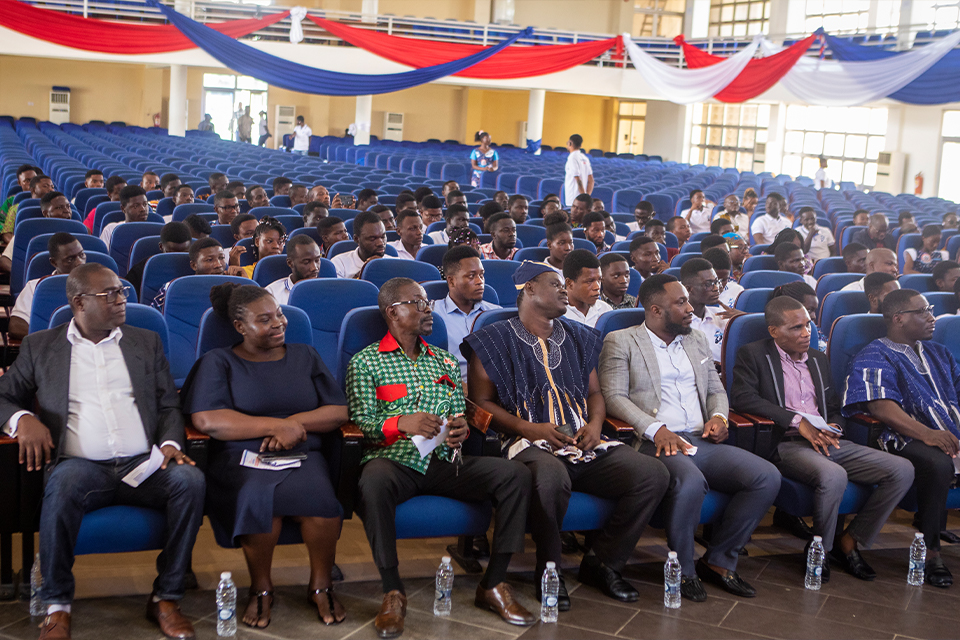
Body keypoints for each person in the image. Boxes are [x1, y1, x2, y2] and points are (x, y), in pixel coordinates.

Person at [0, 263, 205, 640]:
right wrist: (23, 419)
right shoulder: (41, 346)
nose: (121, 299)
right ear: (78, 302)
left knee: (189, 481)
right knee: (61, 486)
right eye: (109, 294)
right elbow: (4, 396)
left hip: (143, 464)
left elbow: (168, 406)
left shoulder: (145, 342)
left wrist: (172, 444)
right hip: (81, 466)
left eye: (122, 292)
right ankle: (57, 605)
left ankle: (166, 597)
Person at [466, 262, 669, 611]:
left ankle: (604, 563)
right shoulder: (493, 339)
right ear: (529, 289)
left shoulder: (577, 334)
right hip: (526, 441)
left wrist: (594, 425)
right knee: (550, 476)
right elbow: (479, 404)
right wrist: (527, 428)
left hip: (582, 439)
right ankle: (549, 571)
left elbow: (594, 394)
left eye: (564, 285)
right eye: (555, 284)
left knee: (652, 474)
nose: (564, 290)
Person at [348, 278, 535, 637]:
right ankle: (393, 590)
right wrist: (402, 422)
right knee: (373, 479)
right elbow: (361, 425)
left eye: (427, 302)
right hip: (395, 461)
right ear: (393, 312)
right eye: (417, 303)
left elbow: (457, 415)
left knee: (515, 475)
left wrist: (460, 430)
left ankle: (493, 584)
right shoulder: (366, 362)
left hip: (445, 463)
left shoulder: (445, 362)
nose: (427, 308)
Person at [599, 274, 781, 603]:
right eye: (681, 303)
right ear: (655, 309)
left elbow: (715, 388)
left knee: (765, 476)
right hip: (657, 442)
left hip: (701, 440)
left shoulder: (696, 339)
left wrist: (719, 416)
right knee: (692, 481)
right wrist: (656, 429)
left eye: (688, 301)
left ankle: (719, 560)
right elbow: (613, 397)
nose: (690, 308)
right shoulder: (621, 340)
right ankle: (683, 569)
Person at [183, 283, 347, 628]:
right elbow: (208, 419)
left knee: (320, 502)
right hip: (242, 458)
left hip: (302, 454)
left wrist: (293, 425)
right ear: (240, 326)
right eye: (265, 319)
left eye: (280, 315)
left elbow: (337, 411)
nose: (278, 324)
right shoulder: (219, 361)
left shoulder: (305, 356)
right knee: (261, 503)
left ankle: (321, 584)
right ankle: (261, 587)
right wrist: (273, 426)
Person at [733, 296, 913, 579]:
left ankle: (850, 541)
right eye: (796, 328)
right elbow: (742, 397)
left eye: (808, 325)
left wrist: (834, 427)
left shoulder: (817, 358)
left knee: (902, 470)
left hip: (827, 439)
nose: (806, 333)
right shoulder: (753, 354)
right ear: (773, 331)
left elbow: (832, 405)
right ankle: (821, 550)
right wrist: (798, 421)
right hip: (787, 442)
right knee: (834, 476)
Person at [842, 288, 960, 588]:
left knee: (942, 454)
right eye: (923, 312)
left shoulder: (939, 353)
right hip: (899, 436)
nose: (932, 318)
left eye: (930, 309)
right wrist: (929, 434)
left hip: (947, 430)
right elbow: (882, 408)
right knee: (938, 463)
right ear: (898, 318)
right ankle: (931, 553)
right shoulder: (874, 354)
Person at [431, 246, 500, 381]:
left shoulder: (495, 313)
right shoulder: (432, 315)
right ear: (451, 281)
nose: (480, 281)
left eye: (481, 275)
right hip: (451, 390)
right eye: (471, 276)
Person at [9, 233, 87, 341]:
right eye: (70, 259)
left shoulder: (97, 286)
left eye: (82, 255)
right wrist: (56, 341)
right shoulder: (36, 286)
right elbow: (16, 326)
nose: (80, 262)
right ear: (54, 262)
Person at [151, 238, 242, 312]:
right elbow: (155, 319)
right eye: (209, 260)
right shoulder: (172, 288)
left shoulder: (234, 285)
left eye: (221, 258)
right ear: (194, 265)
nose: (218, 264)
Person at [681, 257, 745, 362]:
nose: (716, 288)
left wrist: (741, 318)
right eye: (709, 284)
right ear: (688, 289)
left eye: (716, 282)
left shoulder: (722, 316)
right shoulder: (677, 323)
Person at [0, 190, 73, 275]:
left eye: (68, 207)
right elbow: (4, 261)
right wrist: (25, 275)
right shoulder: (27, 232)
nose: (67, 210)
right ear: (46, 213)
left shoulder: (80, 232)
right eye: (59, 208)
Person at [125, 222, 192, 295]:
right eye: (172, 252)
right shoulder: (143, 269)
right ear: (161, 247)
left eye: (184, 252)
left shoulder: (195, 266)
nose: (178, 256)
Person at [264, 235, 323, 305]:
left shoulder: (328, 290)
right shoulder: (272, 293)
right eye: (306, 262)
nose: (314, 268)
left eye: (317, 260)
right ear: (290, 263)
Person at [563, 250, 613, 328]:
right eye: (589, 281)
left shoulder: (605, 310)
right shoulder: (555, 314)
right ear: (569, 283)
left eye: (599, 280)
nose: (597, 287)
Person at [331, 211, 385, 279]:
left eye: (383, 237)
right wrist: (365, 269)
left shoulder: (394, 262)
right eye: (372, 238)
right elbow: (340, 290)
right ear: (356, 239)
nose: (380, 243)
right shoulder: (340, 264)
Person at [98, 185, 148, 251]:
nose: (143, 209)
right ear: (123, 208)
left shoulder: (154, 229)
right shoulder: (111, 230)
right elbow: (105, 258)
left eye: (145, 204)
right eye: (136, 206)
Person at [0, 164, 38, 235]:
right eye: (27, 181)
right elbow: (1, 221)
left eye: (34, 179)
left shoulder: (46, 200)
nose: (32, 183)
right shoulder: (11, 201)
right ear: (19, 183)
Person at [564, 134, 593, 208]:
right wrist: (587, 196)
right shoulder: (585, 158)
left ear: (570, 143)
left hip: (574, 199)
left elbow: (578, 179)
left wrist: (584, 197)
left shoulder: (572, 158)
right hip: (581, 199)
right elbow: (591, 180)